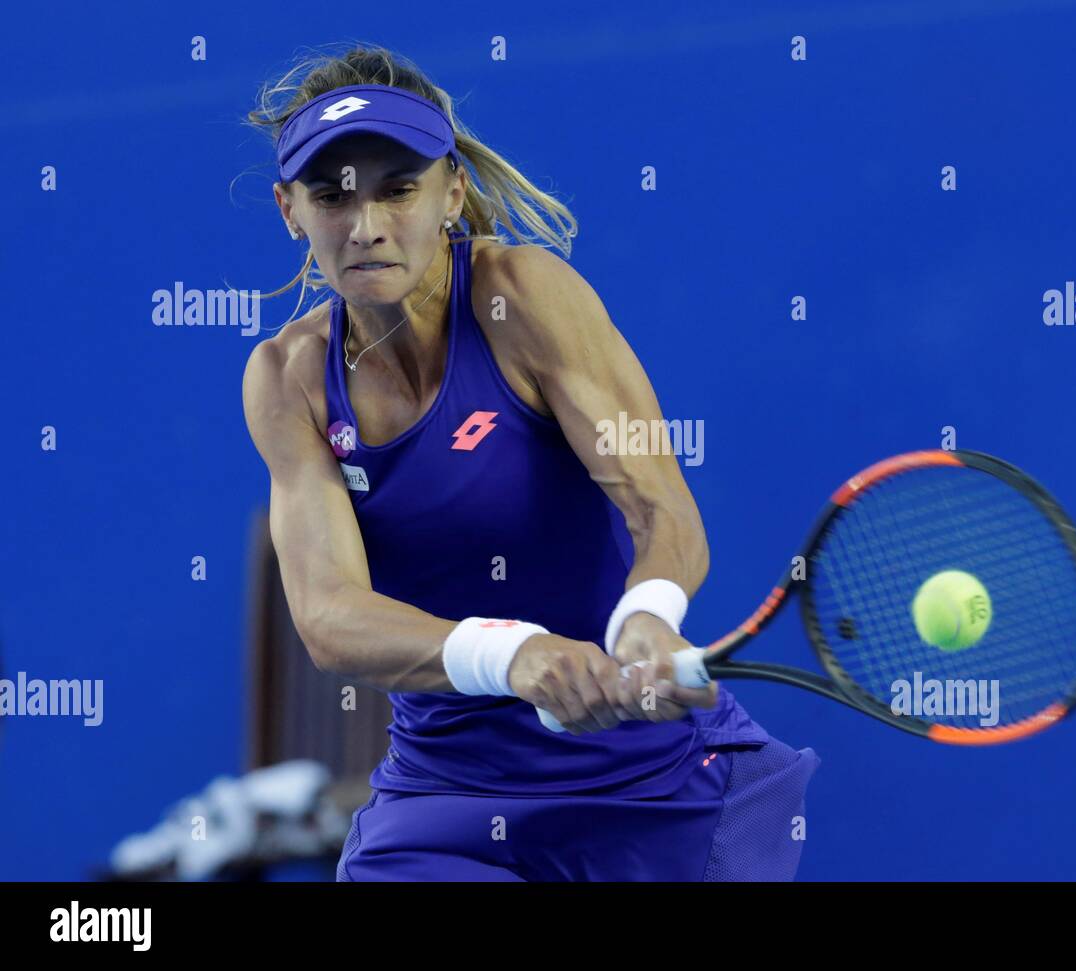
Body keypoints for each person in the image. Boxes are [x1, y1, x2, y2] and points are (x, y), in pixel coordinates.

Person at [241, 45, 818, 881]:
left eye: (398, 189)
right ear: (289, 209)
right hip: (446, 802)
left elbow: (661, 507)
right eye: (332, 195)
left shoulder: (528, 300)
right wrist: (515, 654)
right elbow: (330, 616)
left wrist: (644, 619)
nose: (365, 225)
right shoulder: (288, 378)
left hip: (656, 788)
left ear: (453, 192)